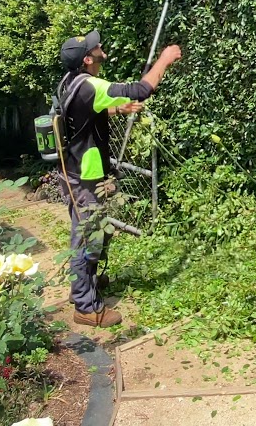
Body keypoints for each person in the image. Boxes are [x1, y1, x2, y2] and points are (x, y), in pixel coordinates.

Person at [56, 29, 182, 326]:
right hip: (87, 175)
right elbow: (142, 89)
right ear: (88, 59)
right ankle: (86, 307)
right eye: (94, 47)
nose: (100, 46)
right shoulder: (91, 84)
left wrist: (116, 109)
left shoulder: (70, 81)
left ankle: (86, 287)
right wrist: (164, 60)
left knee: (93, 232)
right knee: (87, 236)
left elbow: (82, 114)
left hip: (73, 170)